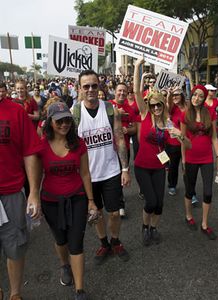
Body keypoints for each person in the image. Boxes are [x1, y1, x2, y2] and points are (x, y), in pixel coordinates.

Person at [38, 102, 97, 300]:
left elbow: (86, 174)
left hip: (77, 198)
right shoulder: (42, 144)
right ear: (50, 122)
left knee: (76, 242)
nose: (64, 124)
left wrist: (91, 201)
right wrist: (34, 200)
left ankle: (80, 291)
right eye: (59, 121)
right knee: (60, 240)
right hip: (51, 201)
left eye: (68, 120)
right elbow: (37, 176)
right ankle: (65, 265)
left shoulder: (79, 143)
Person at [74, 70, 130, 265]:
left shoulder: (109, 109)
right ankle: (104, 243)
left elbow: (119, 138)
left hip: (111, 171)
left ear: (99, 87)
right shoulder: (75, 113)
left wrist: (125, 168)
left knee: (114, 213)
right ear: (79, 88)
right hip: (88, 175)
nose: (90, 89)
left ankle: (115, 240)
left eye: (94, 85)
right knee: (95, 213)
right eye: (86, 86)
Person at [134, 58, 191, 246]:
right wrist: (137, 67)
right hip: (142, 167)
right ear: (148, 106)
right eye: (153, 105)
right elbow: (135, 91)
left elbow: (188, 145)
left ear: (163, 106)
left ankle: (153, 228)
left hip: (159, 167)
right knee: (150, 201)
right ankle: (143, 227)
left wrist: (180, 135)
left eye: (159, 105)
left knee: (159, 204)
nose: (156, 108)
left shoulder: (167, 123)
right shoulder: (144, 116)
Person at [0, 82, 41, 300]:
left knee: (14, 246)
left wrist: (34, 191)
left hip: (11, 193)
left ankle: (15, 294)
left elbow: (30, 153)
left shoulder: (16, 111)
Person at [181, 84, 218, 240]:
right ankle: (188, 216)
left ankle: (205, 224)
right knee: (190, 190)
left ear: (204, 98)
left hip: (207, 158)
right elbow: (182, 140)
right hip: (191, 157)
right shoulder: (186, 114)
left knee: (208, 192)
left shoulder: (210, 113)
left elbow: (213, 137)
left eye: (200, 95)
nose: (196, 98)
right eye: (194, 95)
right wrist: (184, 160)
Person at [109, 83, 137, 217]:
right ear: (114, 91)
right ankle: (117, 202)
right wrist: (115, 114)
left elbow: (134, 128)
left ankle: (119, 203)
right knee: (112, 177)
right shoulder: (107, 106)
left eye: (124, 92)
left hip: (124, 148)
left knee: (121, 174)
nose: (122, 93)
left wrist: (127, 129)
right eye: (119, 90)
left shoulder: (130, 109)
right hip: (109, 148)